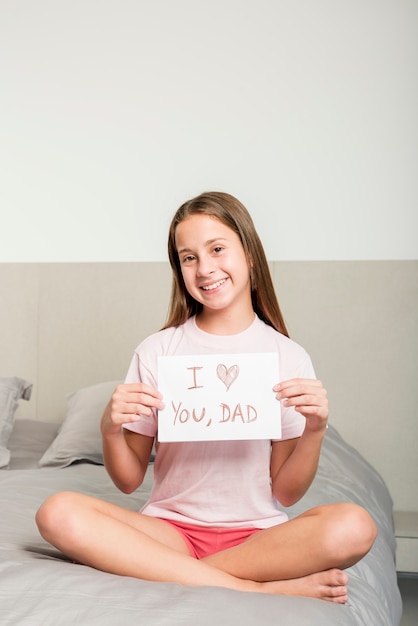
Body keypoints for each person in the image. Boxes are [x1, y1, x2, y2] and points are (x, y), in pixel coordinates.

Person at [36, 191, 377, 602]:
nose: (204, 268)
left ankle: (172, 572)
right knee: (56, 512)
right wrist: (109, 427)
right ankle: (255, 587)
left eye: (217, 249)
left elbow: (285, 493)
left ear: (249, 254)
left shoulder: (287, 356)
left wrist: (315, 430)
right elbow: (128, 482)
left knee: (356, 526)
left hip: (257, 538)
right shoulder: (157, 350)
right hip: (169, 530)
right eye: (188, 257)